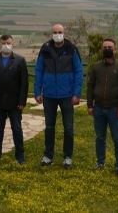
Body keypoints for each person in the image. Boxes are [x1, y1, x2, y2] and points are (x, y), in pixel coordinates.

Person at [35, 23, 84, 169]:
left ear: (64, 33)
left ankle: (67, 157)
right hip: (49, 95)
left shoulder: (71, 49)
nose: (57, 34)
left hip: (67, 95)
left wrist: (77, 93)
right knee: (49, 127)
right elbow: (38, 70)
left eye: (60, 32)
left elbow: (78, 72)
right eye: (55, 32)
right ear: (51, 34)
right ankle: (48, 156)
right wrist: (37, 91)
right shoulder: (45, 49)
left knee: (68, 128)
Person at [86, 38, 118, 176]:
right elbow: (90, 86)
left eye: (110, 47)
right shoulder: (96, 67)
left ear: (115, 49)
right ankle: (100, 162)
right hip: (98, 108)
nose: (107, 49)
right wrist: (90, 104)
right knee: (100, 137)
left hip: (114, 108)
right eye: (105, 47)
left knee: (117, 138)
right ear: (102, 50)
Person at [0, 34, 29, 164]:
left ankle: (20, 155)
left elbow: (24, 83)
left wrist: (22, 101)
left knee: (16, 129)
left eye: (8, 43)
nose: (6, 45)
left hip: (15, 103)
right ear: (0, 44)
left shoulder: (20, 60)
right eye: (3, 43)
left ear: (12, 43)